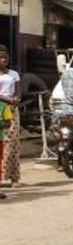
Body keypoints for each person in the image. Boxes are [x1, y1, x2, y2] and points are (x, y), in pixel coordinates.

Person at [0, 46, 22, 186]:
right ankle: (1, 177)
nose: (3, 60)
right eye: (0, 58)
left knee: (12, 143)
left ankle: (14, 177)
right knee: (2, 143)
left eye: (5, 58)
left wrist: (17, 99)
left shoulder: (14, 74)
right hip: (1, 107)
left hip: (12, 109)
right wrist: (6, 100)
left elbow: (19, 90)